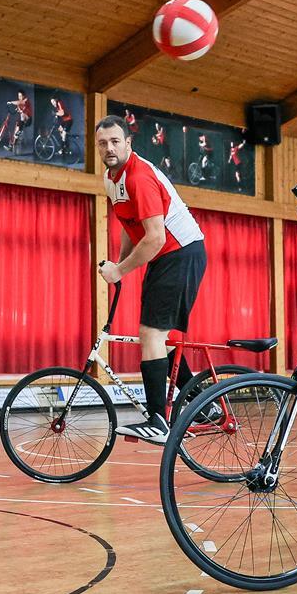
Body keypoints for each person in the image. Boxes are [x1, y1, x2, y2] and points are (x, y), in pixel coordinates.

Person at [97, 115, 206, 444]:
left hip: (180, 251)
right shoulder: (110, 178)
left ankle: (158, 420)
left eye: (116, 141)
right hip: (164, 257)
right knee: (159, 336)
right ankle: (203, 405)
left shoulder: (139, 177)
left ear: (128, 143)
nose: (109, 148)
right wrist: (120, 261)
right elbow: (131, 225)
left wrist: (120, 271)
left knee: (151, 333)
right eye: (103, 143)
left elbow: (155, 237)